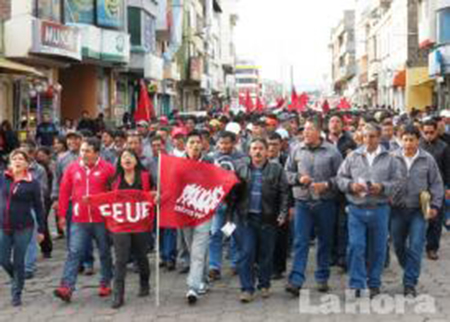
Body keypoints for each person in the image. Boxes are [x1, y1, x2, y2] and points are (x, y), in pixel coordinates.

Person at [337, 123, 401, 298]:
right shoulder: (353, 157)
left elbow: (397, 182)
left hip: (379, 209)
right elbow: (340, 178)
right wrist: (351, 186)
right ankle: (357, 283)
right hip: (356, 208)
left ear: (379, 137)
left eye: (372, 136)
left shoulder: (390, 159)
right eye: (365, 136)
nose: (368, 140)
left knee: (378, 248)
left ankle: (374, 282)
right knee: (356, 246)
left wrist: (382, 187)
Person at [285, 118, 343, 296]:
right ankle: (296, 281)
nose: (306, 133)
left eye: (310, 129)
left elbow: (341, 178)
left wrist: (326, 184)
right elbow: (287, 173)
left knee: (324, 241)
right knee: (300, 242)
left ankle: (322, 277)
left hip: (325, 203)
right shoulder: (296, 149)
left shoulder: (332, 152)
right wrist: (298, 179)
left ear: (319, 131)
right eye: (305, 130)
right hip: (302, 203)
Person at [53, 137, 115, 303]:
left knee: (104, 252)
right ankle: (66, 287)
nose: (83, 153)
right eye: (82, 150)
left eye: (87, 150)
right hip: (79, 219)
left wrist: (108, 208)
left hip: (101, 219)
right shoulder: (72, 168)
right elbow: (64, 192)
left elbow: (115, 192)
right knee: (74, 252)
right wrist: (61, 215)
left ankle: (105, 283)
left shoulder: (108, 169)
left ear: (96, 152)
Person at [230, 138, 289, 302]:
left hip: (268, 219)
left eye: (261, 148)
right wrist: (229, 218)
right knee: (247, 253)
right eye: (254, 148)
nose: (257, 151)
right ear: (249, 151)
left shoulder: (276, 169)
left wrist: (283, 213)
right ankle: (247, 288)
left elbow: (284, 192)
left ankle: (264, 284)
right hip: (245, 219)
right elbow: (232, 197)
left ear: (266, 151)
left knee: (266, 254)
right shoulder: (241, 169)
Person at [391, 125, 444, 297]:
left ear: (417, 140)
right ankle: (410, 268)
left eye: (411, 139)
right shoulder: (392, 158)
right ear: (400, 139)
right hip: (397, 210)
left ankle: (409, 283)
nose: (408, 143)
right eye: (405, 139)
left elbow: (436, 184)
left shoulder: (427, 159)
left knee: (416, 246)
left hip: (419, 211)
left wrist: (435, 206)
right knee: (398, 246)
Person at [107, 149, 154, 308]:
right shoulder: (114, 180)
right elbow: (107, 199)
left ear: (136, 160)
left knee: (141, 256)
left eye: (130, 156)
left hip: (141, 223)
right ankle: (118, 295)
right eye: (124, 157)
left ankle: (144, 283)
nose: (127, 159)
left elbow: (153, 194)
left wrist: (157, 196)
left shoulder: (146, 177)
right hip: (120, 225)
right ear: (120, 162)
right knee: (120, 260)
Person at [0, 149, 45, 306]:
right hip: (3, 226)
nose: (18, 161)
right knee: (3, 259)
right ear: (10, 163)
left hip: (23, 227)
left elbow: (39, 207)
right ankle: (17, 278)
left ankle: (16, 293)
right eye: (15, 159)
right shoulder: (3, 178)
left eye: (21, 159)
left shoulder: (32, 183)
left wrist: (41, 230)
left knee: (19, 261)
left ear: (27, 163)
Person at [180, 131, 214, 304]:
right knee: (193, 247)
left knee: (198, 249)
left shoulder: (210, 162)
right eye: (191, 142)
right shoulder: (178, 163)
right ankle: (204, 278)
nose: (194, 145)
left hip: (204, 212)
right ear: (185, 145)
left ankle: (193, 286)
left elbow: (217, 183)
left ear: (203, 145)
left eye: (197, 142)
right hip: (184, 212)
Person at [208, 131, 245, 281]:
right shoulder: (211, 158)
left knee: (234, 234)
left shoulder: (242, 159)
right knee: (215, 234)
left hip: (235, 204)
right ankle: (214, 267)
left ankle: (236, 263)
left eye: (227, 143)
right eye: (221, 143)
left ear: (233, 143)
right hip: (218, 204)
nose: (223, 146)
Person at [420, 119, 450, 260]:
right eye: (426, 132)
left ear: (436, 131)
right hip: (420, 189)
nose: (429, 135)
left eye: (431, 132)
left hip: (438, 188)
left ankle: (432, 248)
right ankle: (419, 243)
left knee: (436, 219)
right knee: (421, 217)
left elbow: (448, 168)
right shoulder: (418, 145)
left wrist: (448, 187)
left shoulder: (443, 147)